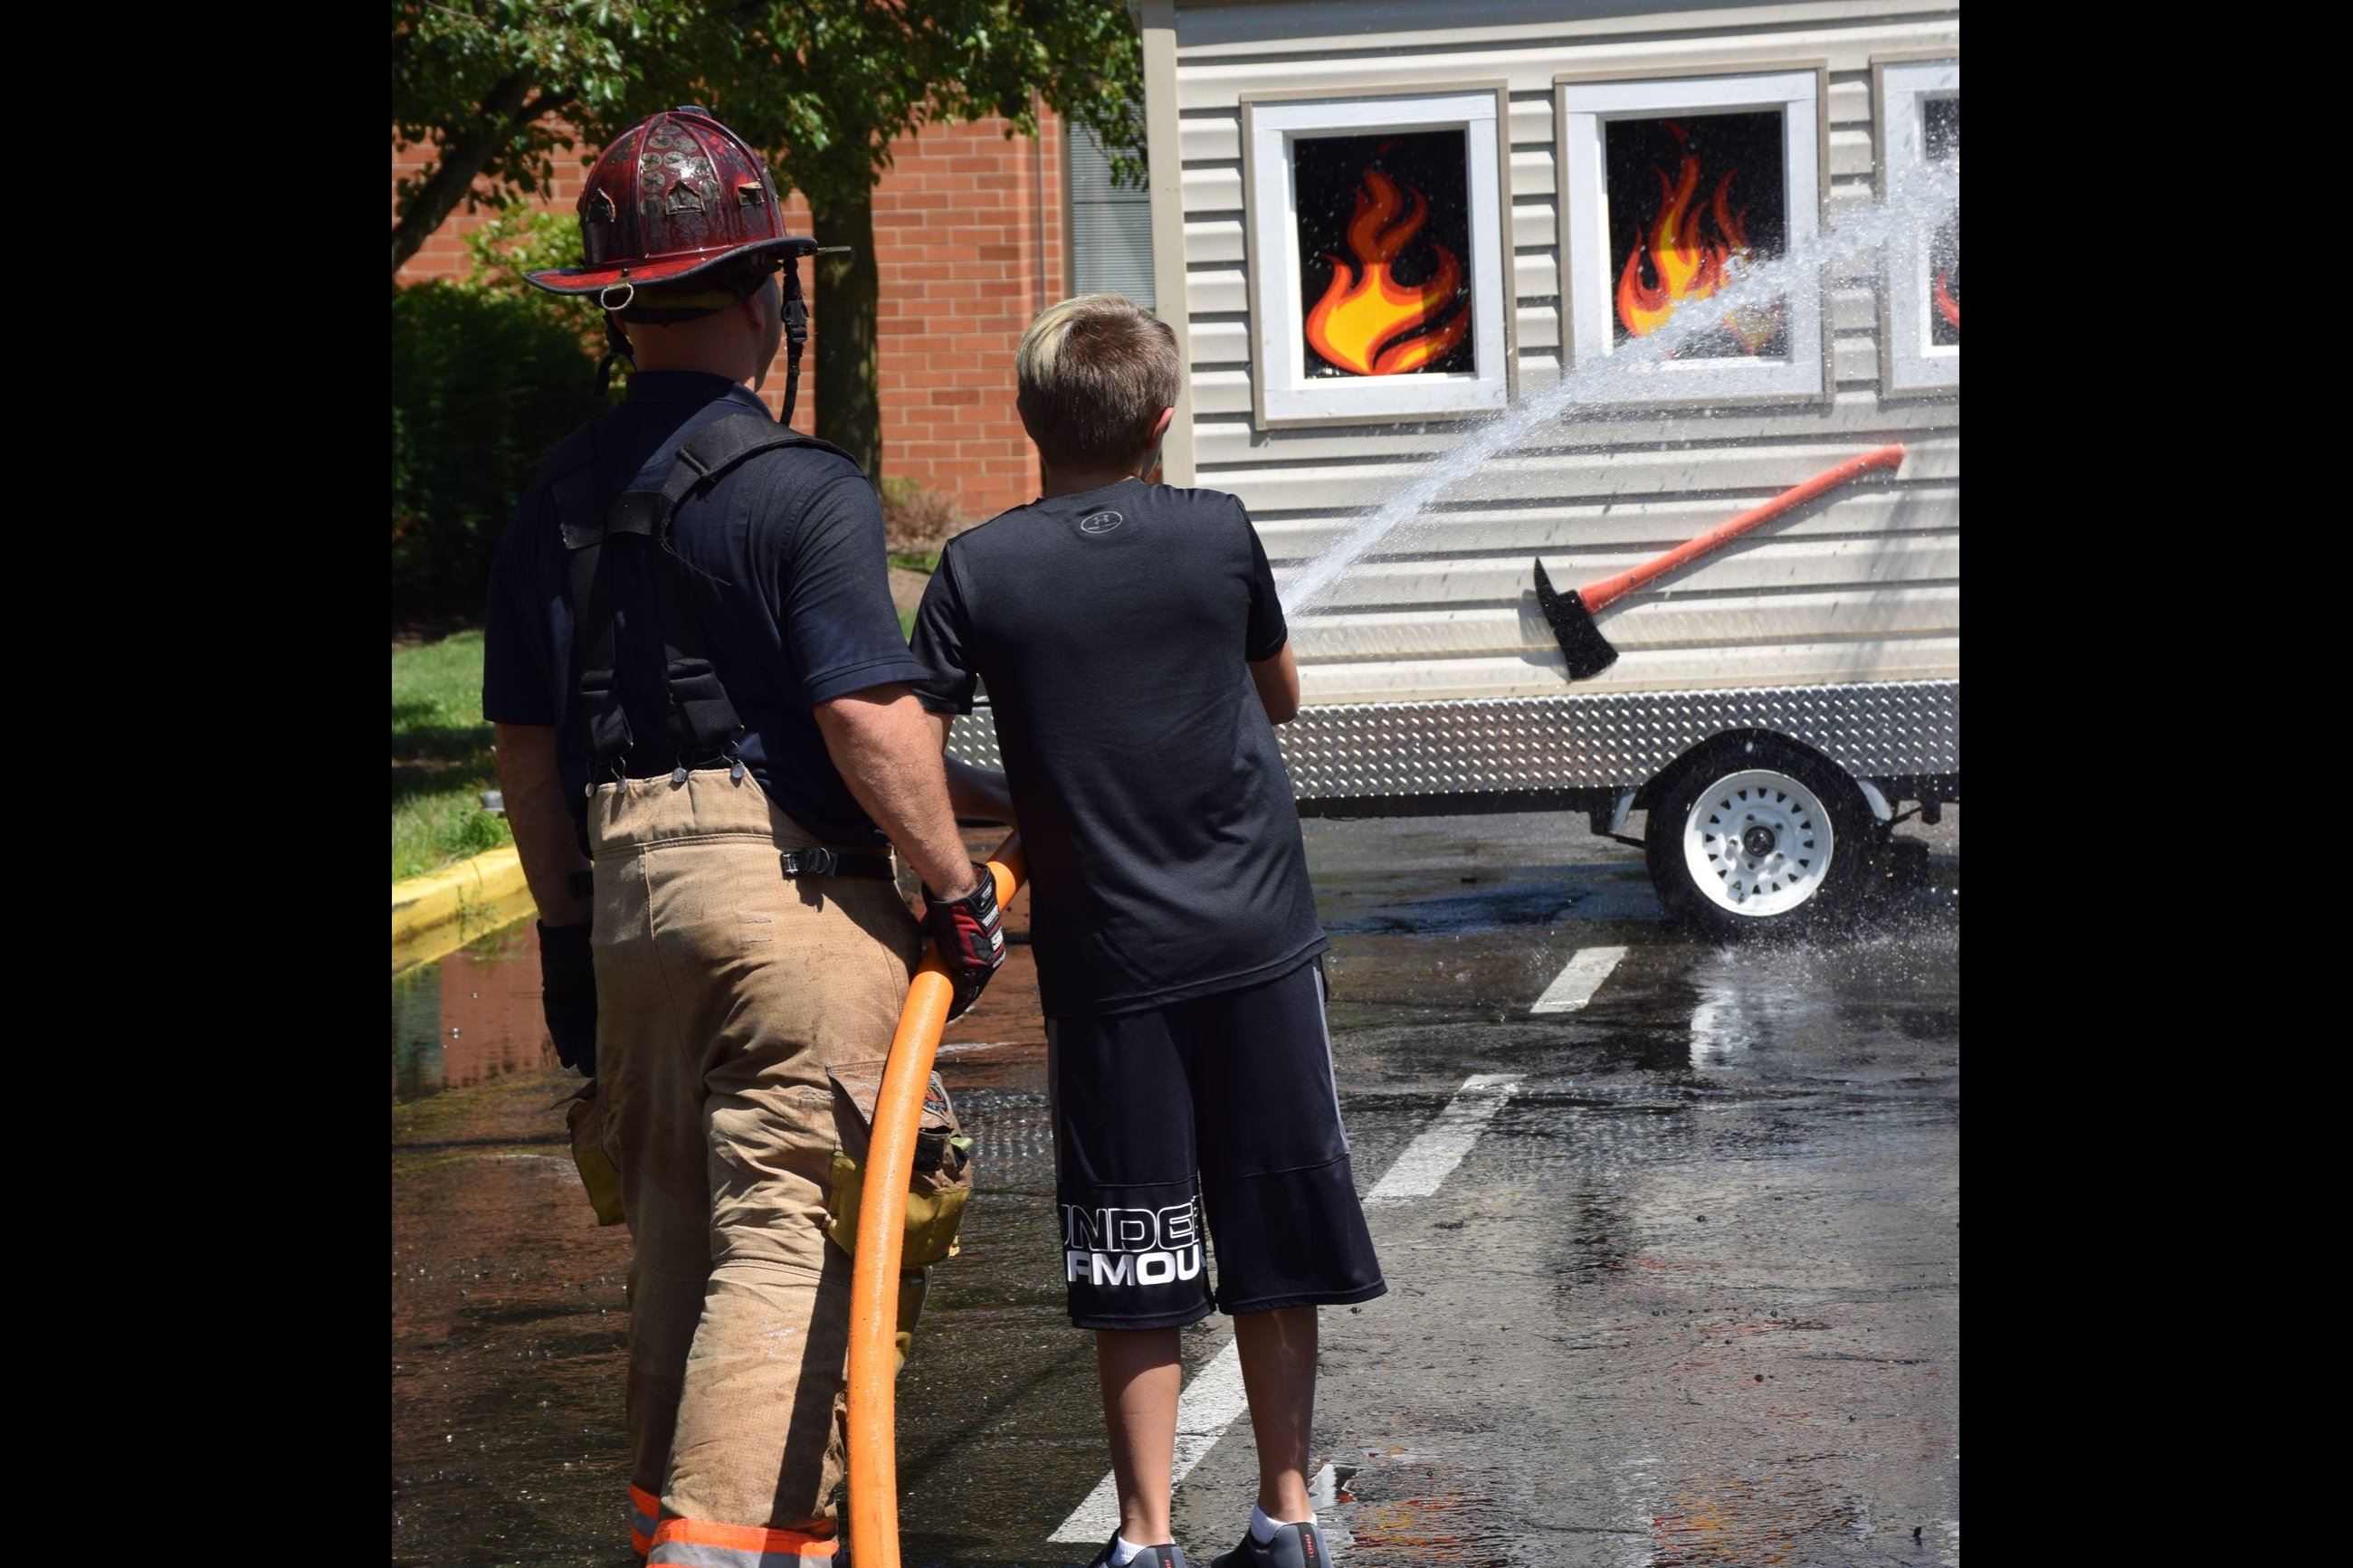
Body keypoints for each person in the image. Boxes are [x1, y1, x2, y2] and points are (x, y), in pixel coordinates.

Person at [482, 105, 1009, 1566]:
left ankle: (678, 1527)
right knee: (796, 1222)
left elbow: (529, 749)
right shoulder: (806, 487)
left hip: (626, 883)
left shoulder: (554, 498)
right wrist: (963, 894)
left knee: (676, 1245)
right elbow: (865, 724)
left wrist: (567, 935)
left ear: (617, 311)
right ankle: (728, 1551)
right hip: (794, 892)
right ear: (772, 287)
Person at [909, 295, 1384, 1568]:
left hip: (1109, 964)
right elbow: (1276, 696)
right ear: (1163, 422)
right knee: (1275, 1238)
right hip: (1259, 944)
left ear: (1025, 423)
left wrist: (995, 823)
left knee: (1135, 1248)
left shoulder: (982, 568)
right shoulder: (1217, 533)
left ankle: (1146, 1536)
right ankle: (1289, 1512)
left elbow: (904, 744)